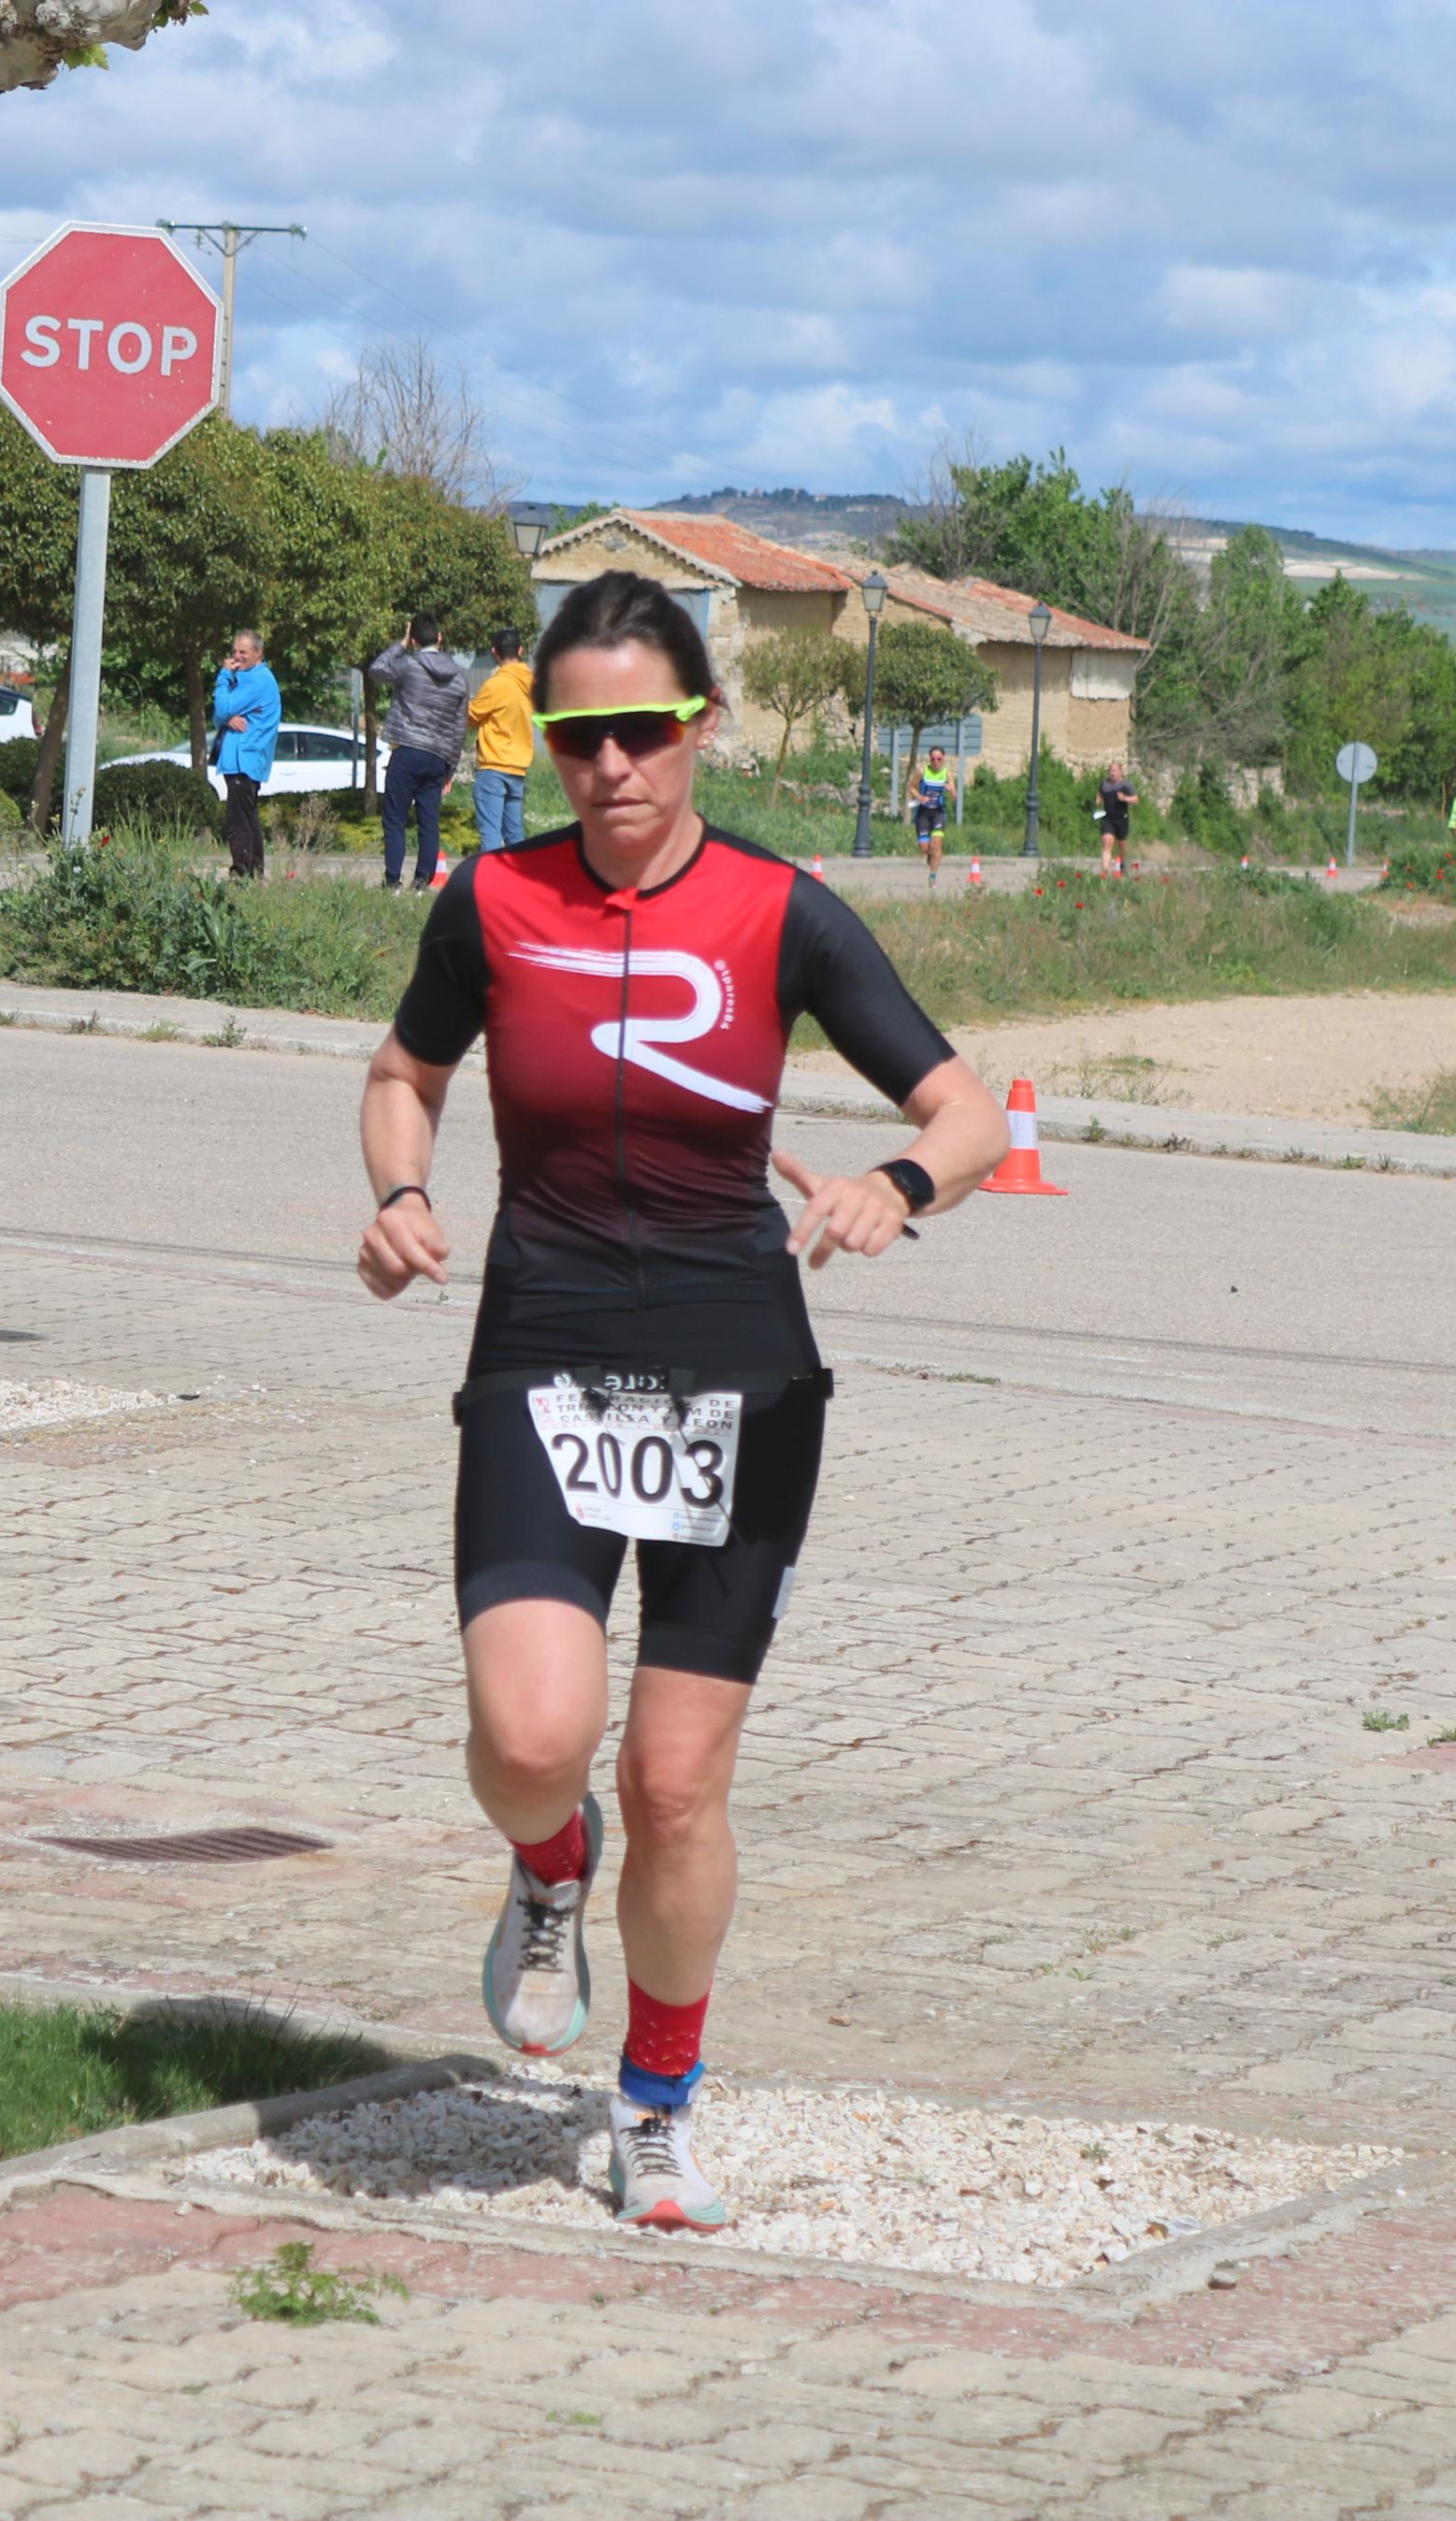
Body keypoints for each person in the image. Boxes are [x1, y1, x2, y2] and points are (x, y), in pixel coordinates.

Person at [353, 570, 1002, 2231]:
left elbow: (964, 1107)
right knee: (530, 1741)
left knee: (675, 1785)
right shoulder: (490, 903)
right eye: (579, 738)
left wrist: (895, 1184)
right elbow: (402, 1073)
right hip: (542, 1352)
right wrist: (402, 1191)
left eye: (643, 730)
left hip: (740, 1377)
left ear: (700, 725)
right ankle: (542, 1867)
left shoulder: (778, 911)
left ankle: (654, 2105)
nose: (612, 767)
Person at [368, 613, 471, 890]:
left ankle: (392, 881)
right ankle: (422, 882)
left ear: (414, 640)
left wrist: (400, 645)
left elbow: (377, 669)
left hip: (407, 750)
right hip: (437, 757)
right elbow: (460, 728)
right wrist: (450, 767)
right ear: (440, 638)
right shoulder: (460, 679)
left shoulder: (408, 666)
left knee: (395, 819)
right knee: (429, 821)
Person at [212, 630, 281, 879]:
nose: (237, 657)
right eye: (234, 652)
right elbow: (219, 716)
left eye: (243, 652)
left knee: (237, 822)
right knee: (249, 819)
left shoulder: (257, 680)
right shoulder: (245, 678)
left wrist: (223, 676)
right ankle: (255, 873)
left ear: (258, 653)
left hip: (245, 759)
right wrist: (227, 718)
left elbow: (221, 708)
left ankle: (242, 871)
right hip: (243, 760)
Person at [466, 627, 534, 861]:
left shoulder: (496, 685)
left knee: (491, 833)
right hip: (518, 769)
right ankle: (524, 882)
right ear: (521, 650)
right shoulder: (532, 685)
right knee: (515, 834)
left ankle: (493, 886)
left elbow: (471, 717)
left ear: (494, 652)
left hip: (494, 767)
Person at [910, 747, 954, 859]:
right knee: (924, 848)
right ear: (929, 759)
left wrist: (951, 790)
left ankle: (934, 870)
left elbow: (955, 796)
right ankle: (933, 859)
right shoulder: (922, 771)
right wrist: (920, 797)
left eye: (939, 759)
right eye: (933, 759)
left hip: (938, 812)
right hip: (923, 812)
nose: (936, 762)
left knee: (936, 845)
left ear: (943, 759)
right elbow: (910, 787)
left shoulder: (947, 773)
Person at [1095, 761, 1136, 872]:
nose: (1113, 773)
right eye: (1111, 771)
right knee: (1107, 842)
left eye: (1115, 771)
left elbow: (1136, 799)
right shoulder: (1104, 783)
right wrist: (1098, 799)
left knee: (1122, 846)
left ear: (1120, 772)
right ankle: (1105, 873)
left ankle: (1123, 863)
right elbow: (1100, 792)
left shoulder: (1126, 785)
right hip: (1108, 818)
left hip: (1122, 818)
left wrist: (1125, 798)